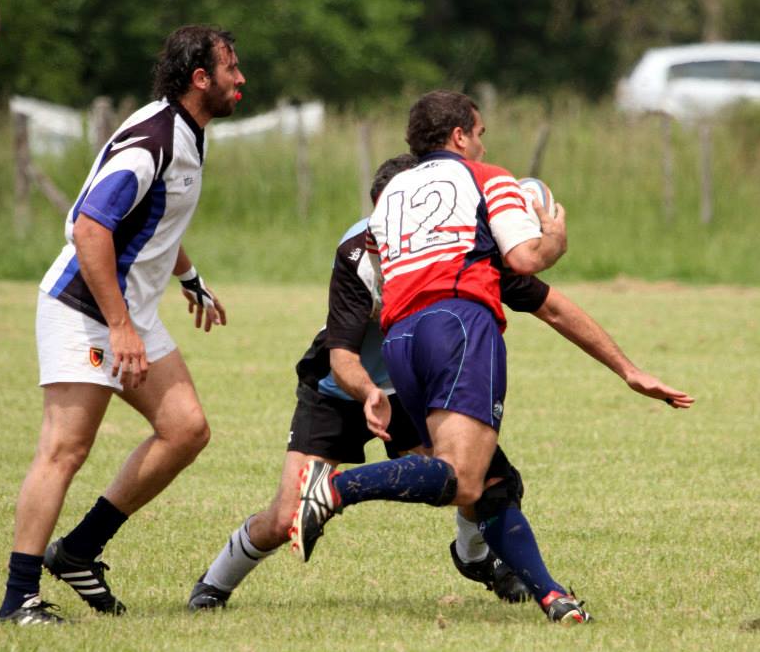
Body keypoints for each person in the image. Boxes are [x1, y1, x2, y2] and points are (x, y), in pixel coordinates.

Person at [290, 91, 694, 625]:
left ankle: (553, 596)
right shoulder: (486, 177)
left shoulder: (389, 199)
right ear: (460, 135)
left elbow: (423, 271)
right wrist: (554, 240)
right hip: (460, 325)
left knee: (493, 481)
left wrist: (626, 368)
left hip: (401, 342)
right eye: (479, 133)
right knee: (462, 481)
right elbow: (525, 259)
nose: (483, 144)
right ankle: (337, 488)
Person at [187, 154, 536, 611]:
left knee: (483, 479)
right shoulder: (356, 252)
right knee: (286, 516)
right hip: (338, 390)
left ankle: (478, 559)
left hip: (407, 389)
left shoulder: (456, 242)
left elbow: (536, 296)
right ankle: (212, 586)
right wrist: (369, 392)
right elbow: (342, 358)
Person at [0, 25, 245, 625]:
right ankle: (17, 599)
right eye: (231, 68)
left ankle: (78, 551)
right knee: (65, 449)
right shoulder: (152, 142)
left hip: (127, 311)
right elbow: (89, 230)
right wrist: (120, 326)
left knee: (185, 429)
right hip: (84, 309)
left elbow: (157, 220)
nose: (241, 79)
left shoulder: (188, 132)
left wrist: (189, 280)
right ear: (200, 79)